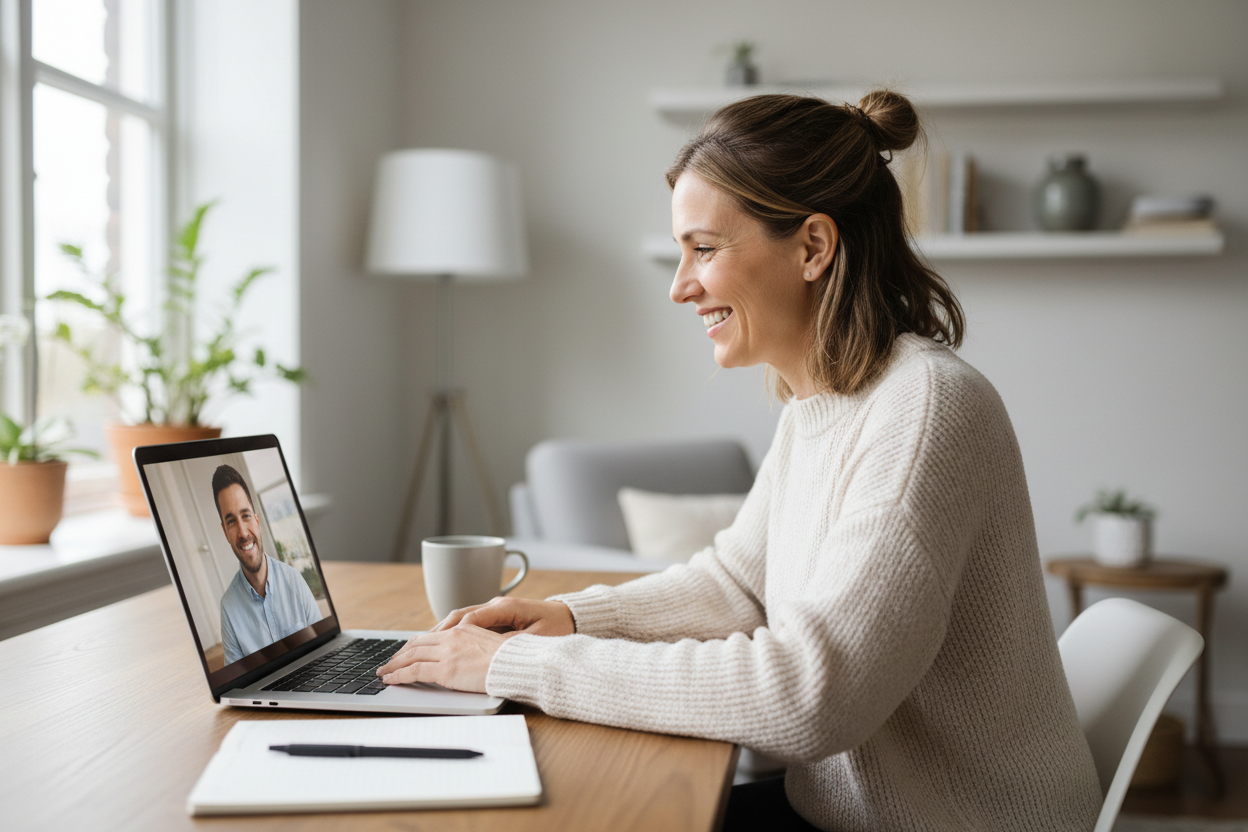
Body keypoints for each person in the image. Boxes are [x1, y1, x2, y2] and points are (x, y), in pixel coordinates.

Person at [376, 90, 1103, 831]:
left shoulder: (925, 411)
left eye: (705, 248)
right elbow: (738, 584)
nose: (679, 285)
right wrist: (566, 616)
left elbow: (812, 697)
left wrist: (514, 667)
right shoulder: (824, 400)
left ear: (814, 247)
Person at [213, 464, 321, 665]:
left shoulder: (293, 579)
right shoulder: (228, 607)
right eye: (231, 521)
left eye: (245, 516)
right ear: (225, 532)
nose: (243, 533)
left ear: (256, 519)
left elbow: (324, 649)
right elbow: (237, 684)